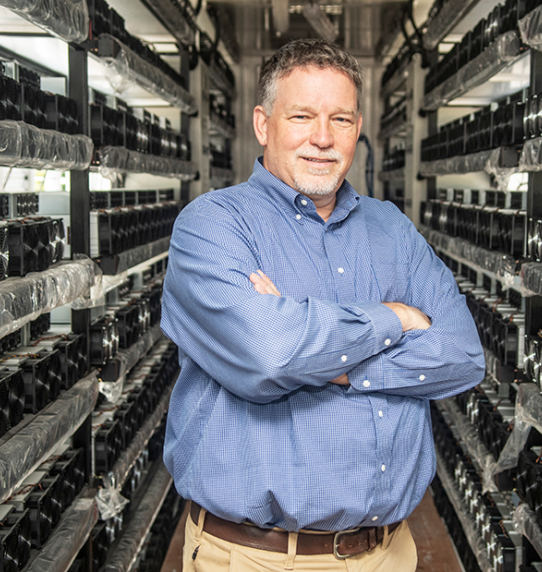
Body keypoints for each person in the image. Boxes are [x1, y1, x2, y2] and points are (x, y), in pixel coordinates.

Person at [160, 38, 485, 571]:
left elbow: (464, 356)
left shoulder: (392, 229)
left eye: (340, 119)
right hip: (257, 559)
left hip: (388, 553)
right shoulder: (213, 225)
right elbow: (270, 356)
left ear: (358, 128)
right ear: (264, 125)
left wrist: (320, 355)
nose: (322, 138)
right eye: (302, 116)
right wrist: (398, 319)